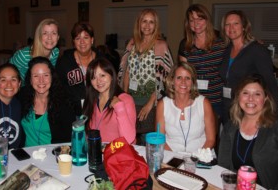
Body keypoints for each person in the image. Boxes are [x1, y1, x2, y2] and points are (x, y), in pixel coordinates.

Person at [118, 8, 174, 144]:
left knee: (148, 141)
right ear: (139, 23)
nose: (147, 26)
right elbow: (127, 71)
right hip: (132, 100)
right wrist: (124, 98)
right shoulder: (132, 44)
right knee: (130, 139)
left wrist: (150, 103)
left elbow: (165, 79)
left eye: (151, 22)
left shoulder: (161, 45)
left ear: (156, 25)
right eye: (144, 21)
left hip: (151, 102)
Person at [218, 74, 278, 189]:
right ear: (238, 97)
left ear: (265, 98)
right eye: (245, 93)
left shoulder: (276, 128)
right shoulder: (230, 127)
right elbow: (223, 167)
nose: (251, 99)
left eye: (257, 94)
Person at [219, 10, 278, 125]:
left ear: (244, 27)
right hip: (228, 107)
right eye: (227, 24)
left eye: (236, 23)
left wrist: (275, 116)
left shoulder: (257, 50)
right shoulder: (227, 50)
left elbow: (270, 83)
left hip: (249, 109)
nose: (231, 27)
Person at [178, 4, 226, 120]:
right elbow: (184, 75)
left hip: (217, 100)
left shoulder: (221, 40)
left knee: (212, 135)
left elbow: (239, 44)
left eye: (200, 19)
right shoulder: (185, 44)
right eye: (192, 20)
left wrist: (252, 42)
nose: (196, 24)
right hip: (194, 99)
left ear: (207, 19)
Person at [156, 62, 216, 153]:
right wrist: (176, 159)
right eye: (179, 77)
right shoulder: (163, 105)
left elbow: (210, 140)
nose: (183, 82)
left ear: (192, 82)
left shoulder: (204, 103)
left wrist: (196, 159)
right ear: (172, 81)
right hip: (171, 156)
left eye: (187, 78)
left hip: (200, 156)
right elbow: (160, 139)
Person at [20, 57, 75, 147]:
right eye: (36, 76)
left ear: (52, 77)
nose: (41, 80)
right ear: (30, 79)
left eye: (46, 75)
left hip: (52, 156)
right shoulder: (22, 98)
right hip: (26, 156)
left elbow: (68, 139)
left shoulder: (64, 104)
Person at [83, 58, 136, 144]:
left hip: (118, 154)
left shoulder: (125, 100)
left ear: (111, 76)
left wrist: (119, 108)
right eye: (93, 77)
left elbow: (128, 139)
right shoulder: (92, 100)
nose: (98, 81)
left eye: (102, 75)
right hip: (96, 153)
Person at [56, 22, 98, 116]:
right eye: (78, 38)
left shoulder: (101, 60)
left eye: (86, 37)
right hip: (72, 114)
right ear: (74, 42)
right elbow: (57, 89)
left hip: (98, 111)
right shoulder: (64, 62)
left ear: (92, 40)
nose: (82, 42)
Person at [10, 18, 60, 85]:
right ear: (38, 36)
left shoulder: (55, 52)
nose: (49, 37)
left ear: (58, 37)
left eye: (54, 33)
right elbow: (8, 73)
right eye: (45, 33)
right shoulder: (24, 55)